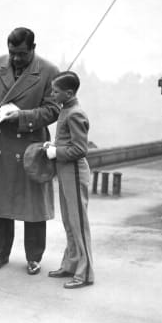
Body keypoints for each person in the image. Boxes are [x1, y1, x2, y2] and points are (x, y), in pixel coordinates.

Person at [0, 27, 60, 275]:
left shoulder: (48, 71)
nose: (15, 59)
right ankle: (1, 254)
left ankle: (34, 257)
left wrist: (22, 116)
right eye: (12, 53)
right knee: (2, 205)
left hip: (31, 149)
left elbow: (53, 110)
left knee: (33, 208)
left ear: (33, 48)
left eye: (21, 54)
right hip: (2, 145)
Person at [45, 71, 94, 289]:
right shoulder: (66, 109)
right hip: (66, 173)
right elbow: (67, 143)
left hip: (74, 173)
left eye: (55, 91)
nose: (52, 93)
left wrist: (57, 152)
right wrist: (53, 147)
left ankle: (85, 274)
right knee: (68, 222)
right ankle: (72, 264)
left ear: (69, 92)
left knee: (79, 224)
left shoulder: (75, 113)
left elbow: (80, 149)